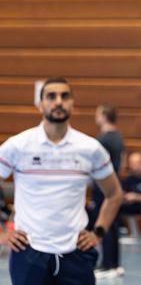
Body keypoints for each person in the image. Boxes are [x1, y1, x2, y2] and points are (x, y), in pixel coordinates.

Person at [0, 77, 123, 285]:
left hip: (76, 255)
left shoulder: (90, 149)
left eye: (65, 96)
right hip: (29, 254)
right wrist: (2, 233)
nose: (58, 101)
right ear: (40, 105)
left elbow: (114, 194)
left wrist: (98, 232)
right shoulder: (18, 146)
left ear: (72, 103)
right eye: (51, 96)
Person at [89, 105, 125, 280]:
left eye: (97, 114)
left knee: (105, 223)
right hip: (115, 184)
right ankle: (115, 264)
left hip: (103, 188)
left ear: (103, 116)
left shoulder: (102, 139)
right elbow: (123, 163)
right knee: (114, 224)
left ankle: (107, 265)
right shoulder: (118, 136)